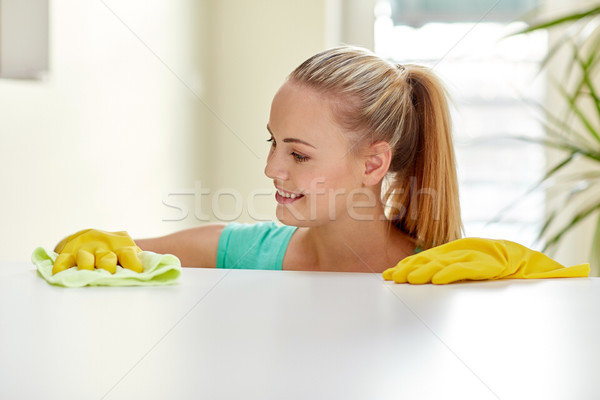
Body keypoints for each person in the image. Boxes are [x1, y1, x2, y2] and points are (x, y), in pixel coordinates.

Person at [55, 45, 462, 274]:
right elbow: (82, 255)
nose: (271, 169)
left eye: (299, 154)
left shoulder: (434, 273)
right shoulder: (244, 253)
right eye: (273, 142)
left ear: (372, 165)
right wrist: (84, 243)